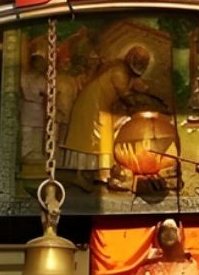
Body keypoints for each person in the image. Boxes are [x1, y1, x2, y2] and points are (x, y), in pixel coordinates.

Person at [61, 45, 152, 177]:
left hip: (102, 107)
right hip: (92, 106)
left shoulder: (126, 72)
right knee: (91, 139)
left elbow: (138, 85)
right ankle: (86, 172)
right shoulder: (119, 72)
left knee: (104, 138)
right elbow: (127, 97)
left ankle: (100, 172)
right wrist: (141, 104)